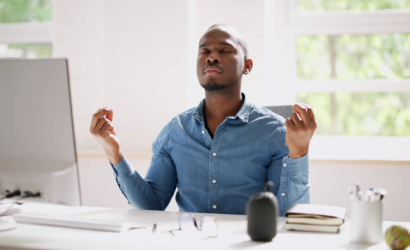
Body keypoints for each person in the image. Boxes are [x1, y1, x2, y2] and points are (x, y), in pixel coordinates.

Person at [90, 24, 317, 216]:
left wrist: (298, 153)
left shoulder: (276, 132)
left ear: (247, 66)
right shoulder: (175, 131)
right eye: (204, 51)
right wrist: (114, 152)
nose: (212, 56)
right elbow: (151, 206)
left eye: (225, 50)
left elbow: (289, 217)